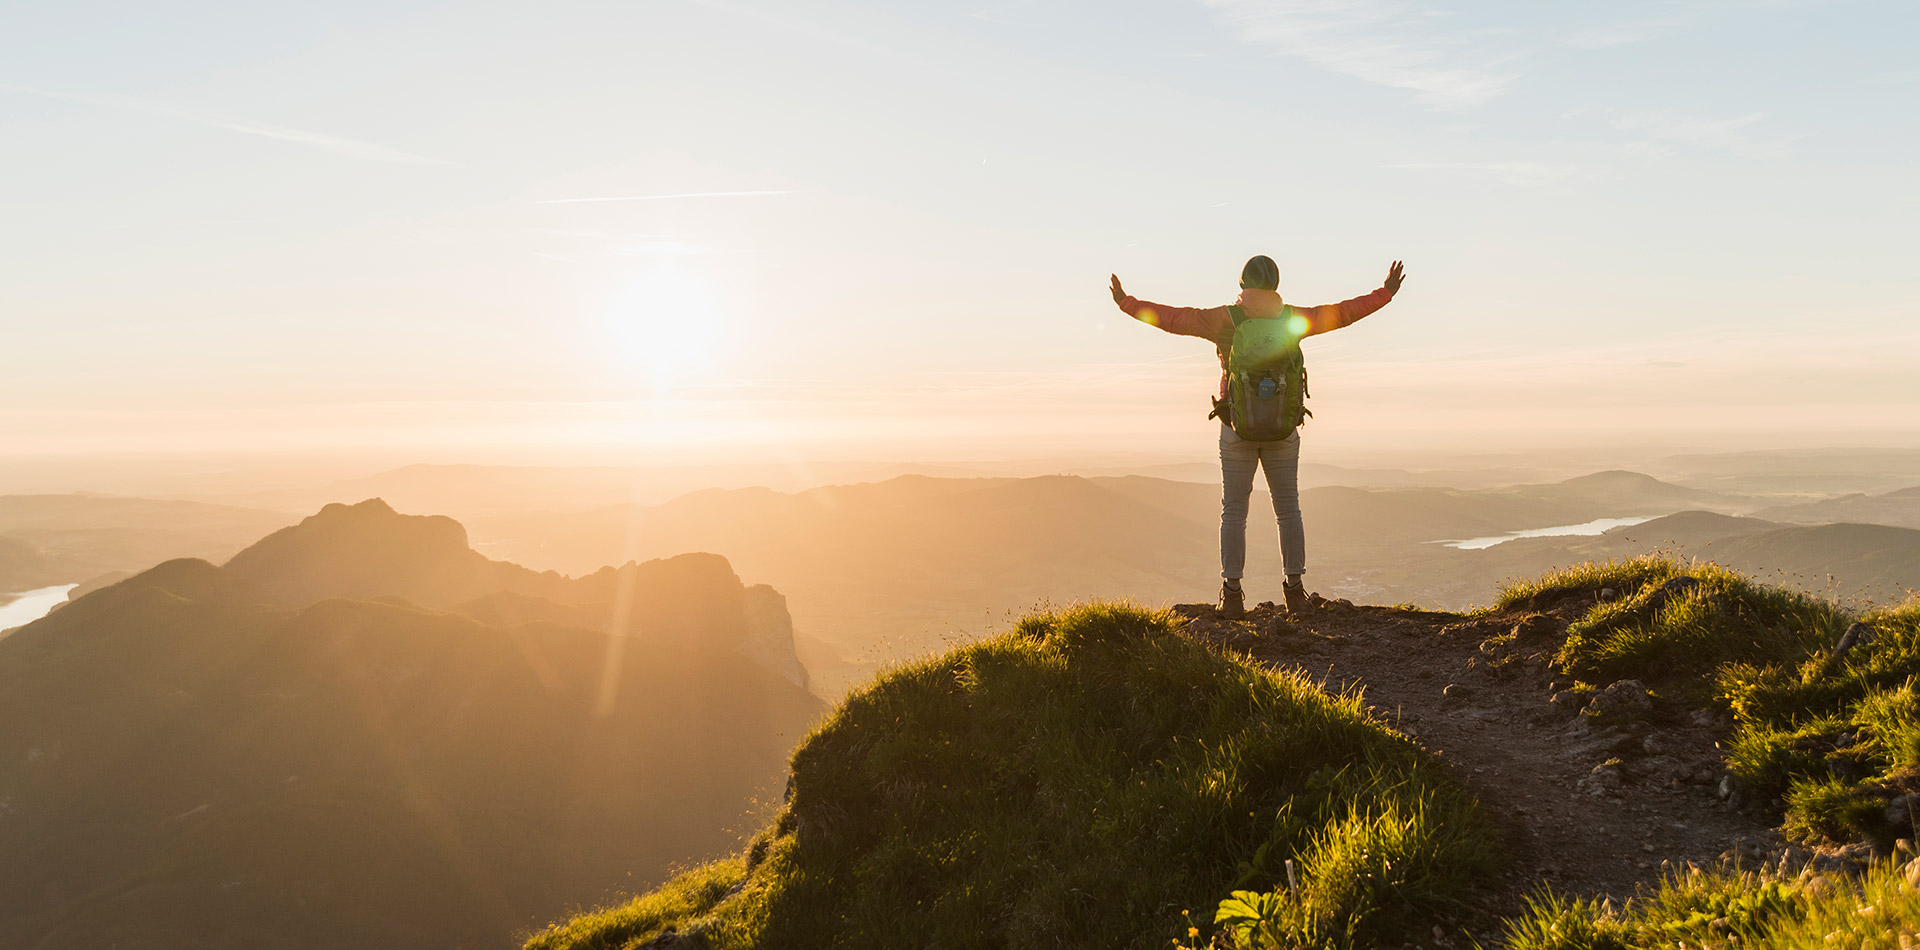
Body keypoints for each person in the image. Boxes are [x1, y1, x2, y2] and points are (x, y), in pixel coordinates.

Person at [1109, 255, 1404, 618]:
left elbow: (1171, 318)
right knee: (1288, 509)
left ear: (1242, 284)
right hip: (1282, 428)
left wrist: (1127, 303)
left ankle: (1232, 594)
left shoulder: (1223, 320)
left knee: (1234, 512)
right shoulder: (1294, 319)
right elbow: (1343, 313)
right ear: (1276, 285)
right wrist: (1385, 293)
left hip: (1236, 426)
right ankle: (1294, 591)